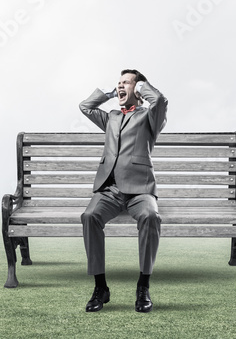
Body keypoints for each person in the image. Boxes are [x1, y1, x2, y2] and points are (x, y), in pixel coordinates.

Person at [78, 69, 167, 313]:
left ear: (137, 89)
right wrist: (109, 93)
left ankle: (143, 286)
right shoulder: (112, 117)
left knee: (151, 217)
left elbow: (159, 100)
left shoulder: (150, 116)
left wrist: (141, 86)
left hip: (140, 191)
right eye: (118, 83)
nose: (120, 86)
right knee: (89, 216)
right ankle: (100, 287)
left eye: (126, 82)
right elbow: (85, 107)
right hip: (111, 189)